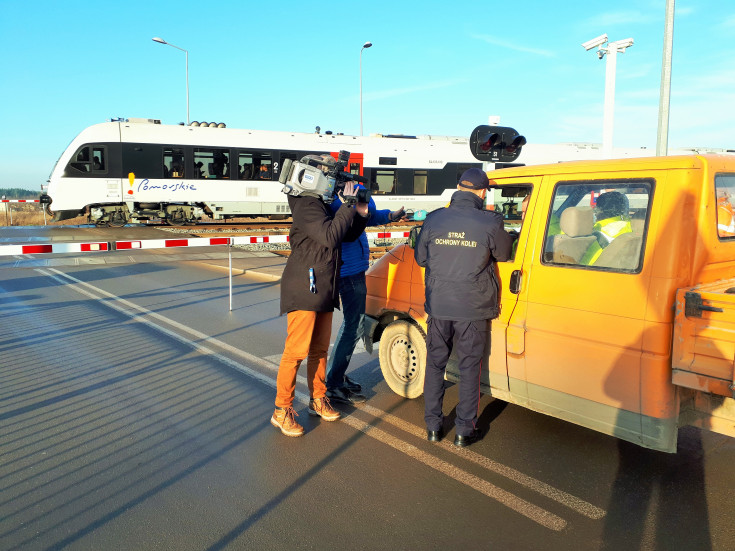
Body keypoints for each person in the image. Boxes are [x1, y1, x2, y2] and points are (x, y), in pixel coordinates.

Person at [414, 167, 513, 447]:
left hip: (439, 305)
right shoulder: (490, 222)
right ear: (482, 192)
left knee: (435, 364)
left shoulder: (434, 219)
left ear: (458, 188)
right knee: (470, 367)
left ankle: (433, 427)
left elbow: (421, 258)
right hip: (472, 308)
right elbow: (504, 254)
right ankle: (463, 431)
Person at [272, 164, 369, 438]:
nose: (332, 181)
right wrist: (347, 203)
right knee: (296, 352)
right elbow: (329, 235)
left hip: (324, 285)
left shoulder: (322, 203)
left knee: (319, 350)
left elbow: (344, 233)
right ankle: (282, 410)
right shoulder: (306, 204)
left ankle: (318, 399)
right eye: (328, 175)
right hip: (305, 285)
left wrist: (359, 213)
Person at [326, 184, 407, 404]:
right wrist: (352, 203)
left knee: (352, 324)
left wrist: (390, 215)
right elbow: (348, 225)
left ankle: (336, 376)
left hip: (355, 269)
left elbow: (367, 216)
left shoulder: (348, 193)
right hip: (347, 271)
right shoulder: (332, 199)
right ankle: (333, 383)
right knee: (354, 325)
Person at [579, 191, 632, 265]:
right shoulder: (632, 227)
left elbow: (584, 267)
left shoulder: (598, 236)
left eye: (596, 208)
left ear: (600, 211)